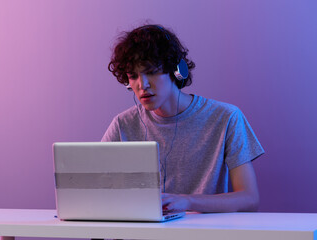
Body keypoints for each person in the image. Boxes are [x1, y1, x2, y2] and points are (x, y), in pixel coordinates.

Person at [102, 24, 265, 213]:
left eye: (152, 72)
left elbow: (249, 199)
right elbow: (97, 191)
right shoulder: (123, 124)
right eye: (133, 76)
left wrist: (188, 202)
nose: (142, 85)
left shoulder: (226, 117)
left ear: (176, 70)